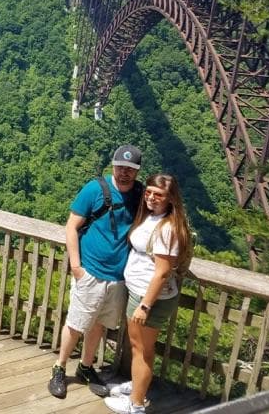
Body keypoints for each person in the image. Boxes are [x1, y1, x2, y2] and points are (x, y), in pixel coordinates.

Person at [48, 145, 144, 399]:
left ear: (137, 172)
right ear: (112, 166)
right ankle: (59, 368)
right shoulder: (94, 189)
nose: (124, 173)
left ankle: (86, 367)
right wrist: (77, 267)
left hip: (118, 277)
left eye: (130, 169)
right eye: (120, 167)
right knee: (76, 323)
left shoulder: (140, 194)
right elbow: (71, 226)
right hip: (90, 271)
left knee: (99, 324)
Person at [104, 174, 192, 414]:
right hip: (141, 292)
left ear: (170, 198)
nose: (152, 197)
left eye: (159, 194)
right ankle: (137, 386)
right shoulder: (154, 217)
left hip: (149, 298)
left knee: (141, 349)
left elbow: (163, 272)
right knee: (140, 347)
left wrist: (145, 306)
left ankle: (136, 404)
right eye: (149, 192)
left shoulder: (167, 229)